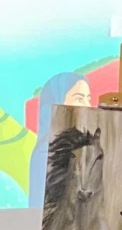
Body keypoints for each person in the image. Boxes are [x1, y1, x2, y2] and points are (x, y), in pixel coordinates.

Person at [29, 72, 91, 208]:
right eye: (79, 99)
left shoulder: (84, 145)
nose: (87, 105)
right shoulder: (45, 151)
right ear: (57, 101)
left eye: (88, 99)